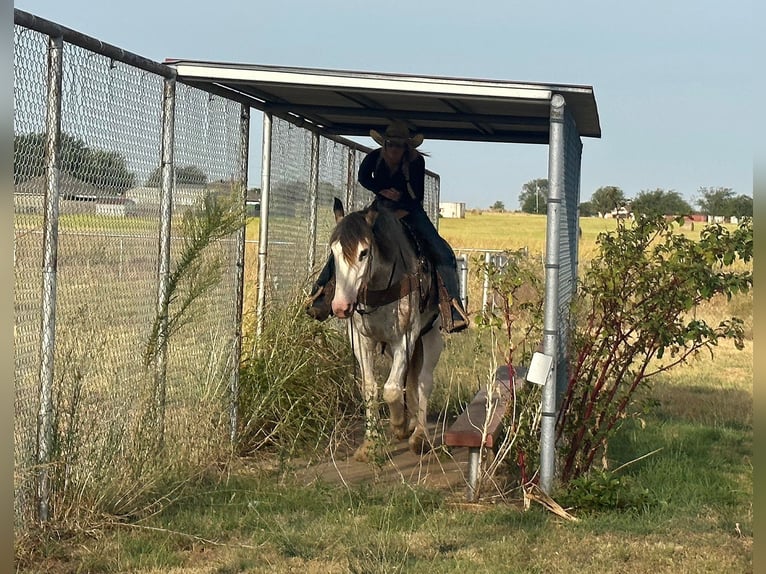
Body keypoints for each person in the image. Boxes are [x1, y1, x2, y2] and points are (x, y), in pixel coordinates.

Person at [307, 120, 469, 333]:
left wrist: (399, 207)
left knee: (442, 251)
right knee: (348, 243)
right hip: (380, 208)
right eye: (390, 144)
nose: (393, 149)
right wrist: (381, 190)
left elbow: (417, 196)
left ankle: (453, 308)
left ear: (406, 148)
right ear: (384, 144)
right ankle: (320, 296)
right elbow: (363, 178)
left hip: (410, 210)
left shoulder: (415, 162)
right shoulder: (374, 157)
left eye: (399, 145)